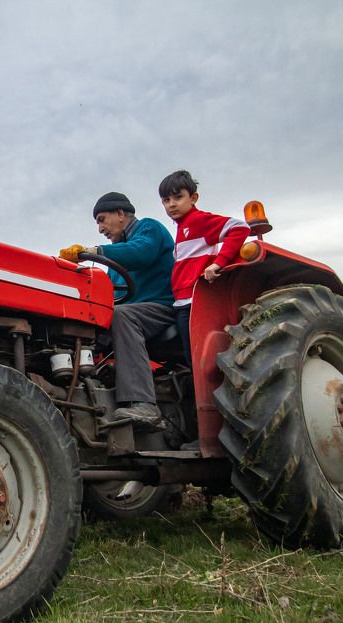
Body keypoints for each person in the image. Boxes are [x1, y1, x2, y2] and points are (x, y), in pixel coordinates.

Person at [58, 192, 175, 430]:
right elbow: (109, 294)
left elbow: (142, 252)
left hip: (162, 308)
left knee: (123, 315)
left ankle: (143, 404)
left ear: (120, 214)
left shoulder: (149, 229)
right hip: (135, 311)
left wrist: (95, 252)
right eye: (98, 223)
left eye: (102, 219)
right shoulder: (117, 257)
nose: (100, 228)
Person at [158, 171, 249, 366]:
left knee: (197, 359)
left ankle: (204, 397)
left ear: (193, 198)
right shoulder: (182, 228)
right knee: (189, 358)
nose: (171, 204)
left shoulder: (198, 221)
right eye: (166, 200)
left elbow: (239, 228)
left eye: (178, 197)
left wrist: (218, 263)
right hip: (182, 302)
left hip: (193, 300)